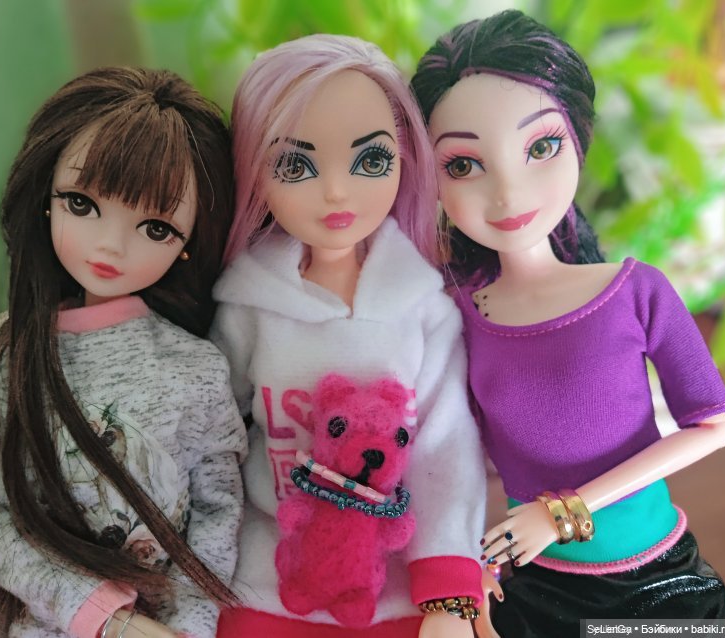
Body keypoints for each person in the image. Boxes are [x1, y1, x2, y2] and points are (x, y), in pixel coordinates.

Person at [411, 10, 725, 637]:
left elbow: (710, 428)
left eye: (540, 148)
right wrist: (464, 558)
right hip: (535, 588)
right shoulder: (459, 316)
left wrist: (563, 512)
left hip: (659, 580)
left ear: (577, 142)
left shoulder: (635, 291)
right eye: (464, 165)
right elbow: (452, 454)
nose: (508, 194)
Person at [0, 66, 248, 638]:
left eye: (155, 228)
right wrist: (103, 617)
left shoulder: (197, 367)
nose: (111, 245)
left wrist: (190, 622)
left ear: (189, 243)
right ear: (45, 199)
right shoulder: (13, 363)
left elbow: (218, 509)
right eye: (82, 204)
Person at [209, 34, 487, 638]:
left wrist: (446, 589)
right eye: (295, 165)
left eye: (371, 161)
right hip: (266, 578)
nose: (336, 191)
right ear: (253, 169)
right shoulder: (246, 305)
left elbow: (443, 448)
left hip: (397, 588)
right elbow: (213, 441)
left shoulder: (422, 309)